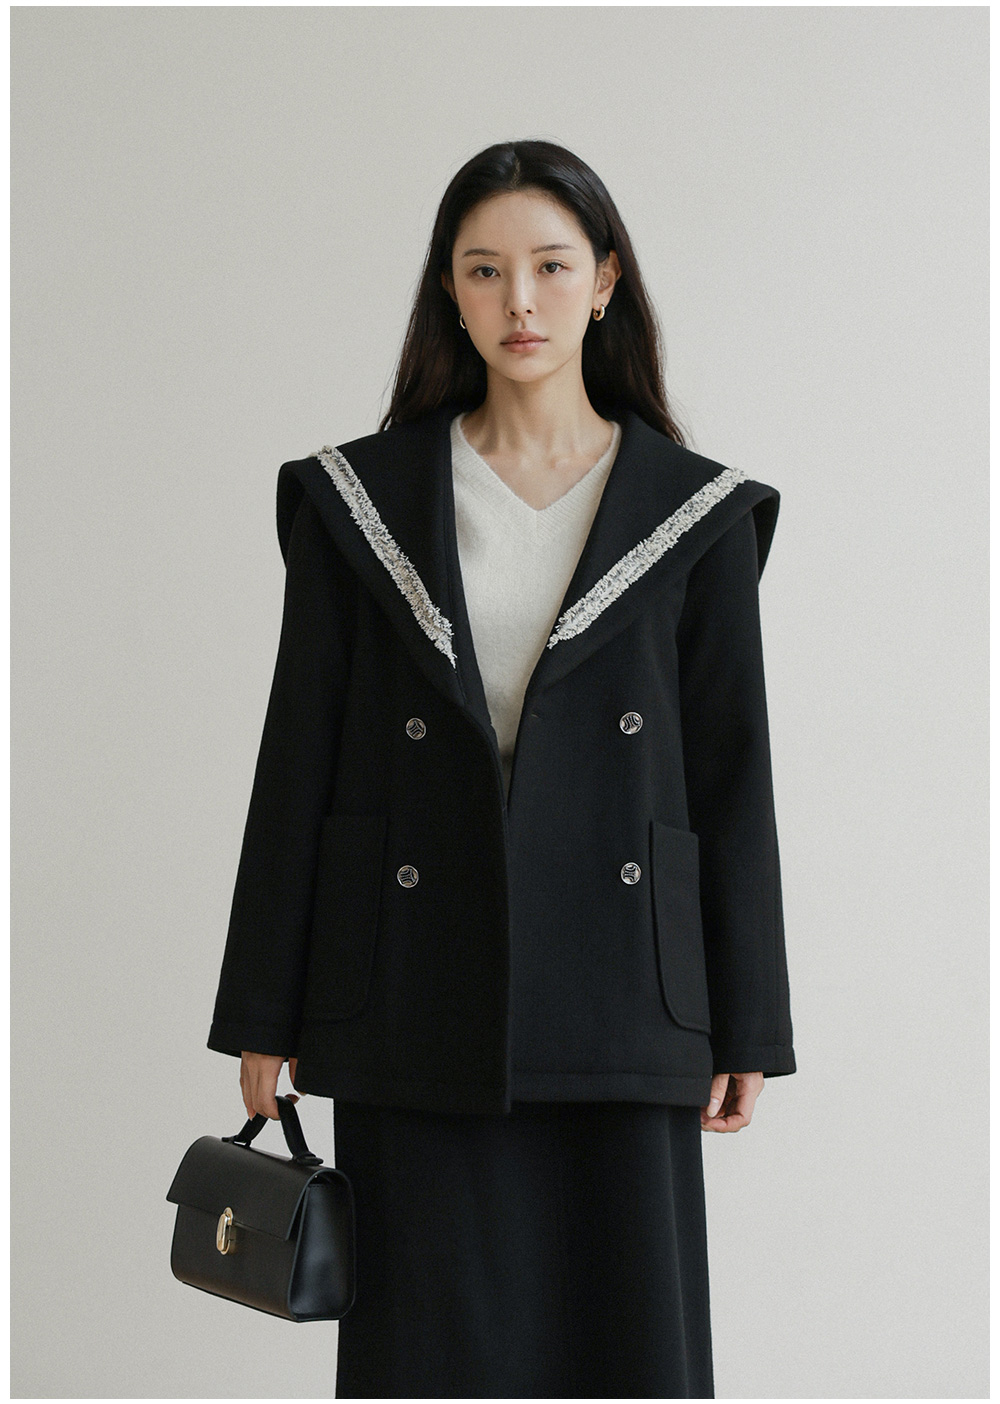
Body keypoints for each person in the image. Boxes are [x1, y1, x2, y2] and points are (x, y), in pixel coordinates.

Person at [207, 138, 796, 1398]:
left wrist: (747, 1015)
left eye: (549, 266)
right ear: (449, 291)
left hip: (625, 996)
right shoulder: (358, 501)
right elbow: (298, 757)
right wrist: (262, 1006)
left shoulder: (693, 514)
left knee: (625, 1355)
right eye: (483, 270)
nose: (518, 301)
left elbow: (730, 779)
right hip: (411, 987)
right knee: (428, 1353)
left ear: (605, 282)